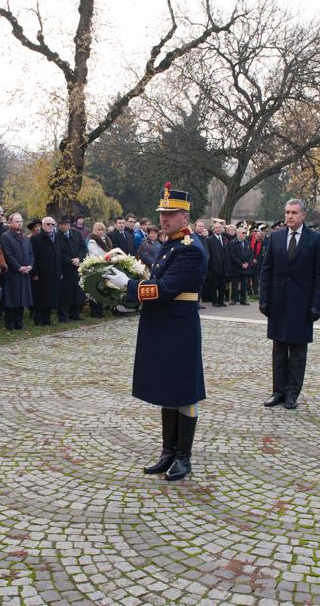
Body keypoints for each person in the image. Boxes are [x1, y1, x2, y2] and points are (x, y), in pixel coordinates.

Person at [104, 183, 206, 481]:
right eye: (162, 213)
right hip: (163, 324)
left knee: (184, 392)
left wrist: (128, 285)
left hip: (178, 327)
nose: (164, 218)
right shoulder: (170, 244)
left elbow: (165, 289)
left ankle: (183, 457)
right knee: (167, 389)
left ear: (185, 217)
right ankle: (167, 453)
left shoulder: (190, 249)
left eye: (171, 213)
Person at [259, 199, 320, 410]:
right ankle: (278, 391)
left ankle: (292, 393)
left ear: (303, 215)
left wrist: (317, 305)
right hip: (279, 302)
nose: (290, 216)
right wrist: (264, 299)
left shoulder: (315, 240)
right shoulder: (276, 237)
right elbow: (266, 270)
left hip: (302, 304)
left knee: (297, 352)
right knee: (279, 350)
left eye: (294, 213)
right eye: (287, 212)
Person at [0, 212, 33, 330]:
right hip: (13, 273)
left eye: (20, 221)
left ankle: (19, 322)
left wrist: (30, 265)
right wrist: (19, 267)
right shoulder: (6, 236)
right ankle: (10, 323)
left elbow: (31, 253)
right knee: (11, 299)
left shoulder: (25, 237)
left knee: (22, 299)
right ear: (10, 223)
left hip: (25, 272)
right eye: (16, 221)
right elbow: (8, 255)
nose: (19, 223)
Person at [31, 216, 62, 326]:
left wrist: (60, 272)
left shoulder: (57, 238)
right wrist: (34, 273)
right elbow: (33, 257)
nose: (50, 226)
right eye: (47, 224)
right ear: (42, 225)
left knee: (51, 297)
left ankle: (47, 318)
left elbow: (59, 255)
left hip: (54, 272)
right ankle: (38, 319)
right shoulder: (36, 238)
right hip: (41, 273)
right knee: (41, 297)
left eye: (52, 224)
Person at [56, 215, 86, 322]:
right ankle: (63, 315)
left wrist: (79, 258)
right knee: (65, 293)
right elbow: (58, 252)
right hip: (65, 268)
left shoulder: (76, 234)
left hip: (77, 267)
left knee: (77, 291)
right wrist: (70, 260)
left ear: (69, 225)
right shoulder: (56, 236)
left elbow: (83, 248)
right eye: (62, 224)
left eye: (66, 224)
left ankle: (75, 313)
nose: (64, 226)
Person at [228, 226, 252, 305]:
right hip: (236, 267)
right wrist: (241, 264)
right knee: (235, 284)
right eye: (243, 233)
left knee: (244, 284)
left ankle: (243, 299)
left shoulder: (247, 243)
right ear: (238, 233)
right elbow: (232, 256)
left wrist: (248, 263)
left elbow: (251, 255)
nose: (245, 234)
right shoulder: (232, 243)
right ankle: (234, 299)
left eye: (245, 233)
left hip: (245, 268)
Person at [206, 223, 227, 307]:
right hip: (214, 266)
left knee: (222, 284)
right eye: (216, 228)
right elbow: (209, 253)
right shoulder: (209, 240)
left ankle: (221, 300)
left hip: (223, 266)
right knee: (214, 285)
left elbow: (226, 252)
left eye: (219, 227)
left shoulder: (225, 239)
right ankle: (214, 301)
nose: (218, 229)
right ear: (213, 229)